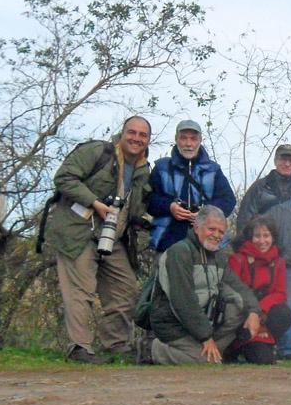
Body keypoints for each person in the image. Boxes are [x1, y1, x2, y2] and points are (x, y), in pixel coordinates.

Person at [48, 115, 152, 363]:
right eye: (132, 132)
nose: (136, 138)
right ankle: (79, 348)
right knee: (80, 290)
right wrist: (94, 202)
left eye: (142, 135)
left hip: (114, 237)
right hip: (79, 231)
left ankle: (116, 345)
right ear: (122, 133)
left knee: (125, 288)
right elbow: (63, 178)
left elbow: (137, 207)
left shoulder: (143, 170)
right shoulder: (97, 151)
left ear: (148, 140)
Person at [143, 205, 262, 365]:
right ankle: (154, 349)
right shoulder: (179, 253)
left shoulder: (219, 258)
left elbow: (239, 288)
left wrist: (254, 312)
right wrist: (205, 337)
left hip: (203, 321)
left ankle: (209, 353)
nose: (217, 235)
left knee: (240, 308)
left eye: (221, 232)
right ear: (197, 227)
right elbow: (184, 301)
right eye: (211, 229)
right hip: (174, 325)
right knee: (205, 362)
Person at [237, 144, 291, 359]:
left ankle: (286, 350)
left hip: (289, 261)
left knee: (287, 306)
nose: (287, 163)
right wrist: (248, 252)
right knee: (255, 304)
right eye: (283, 159)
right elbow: (245, 220)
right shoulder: (259, 188)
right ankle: (252, 345)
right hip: (260, 261)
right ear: (276, 160)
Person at [146, 119, 236, 254]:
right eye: (183, 138)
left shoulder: (213, 170)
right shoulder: (161, 167)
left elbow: (228, 200)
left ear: (200, 140)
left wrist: (205, 212)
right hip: (166, 242)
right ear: (176, 139)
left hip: (207, 245)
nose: (188, 144)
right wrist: (170, 207)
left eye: (193, 139)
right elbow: (148, 200)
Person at [226, 215, 291, 364]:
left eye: (266, 235)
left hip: (264, 315)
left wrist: (260, 312)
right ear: (250, 237)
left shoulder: (279, 262)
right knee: (260, 358)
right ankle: (235, 346)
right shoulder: (237, 259)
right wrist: (252, 312)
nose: (262, 241)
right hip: (241, 314)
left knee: (284, 313)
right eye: (257, 236)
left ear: (273, 237)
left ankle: (263, 338)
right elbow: (232, 292)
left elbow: (280, 293)